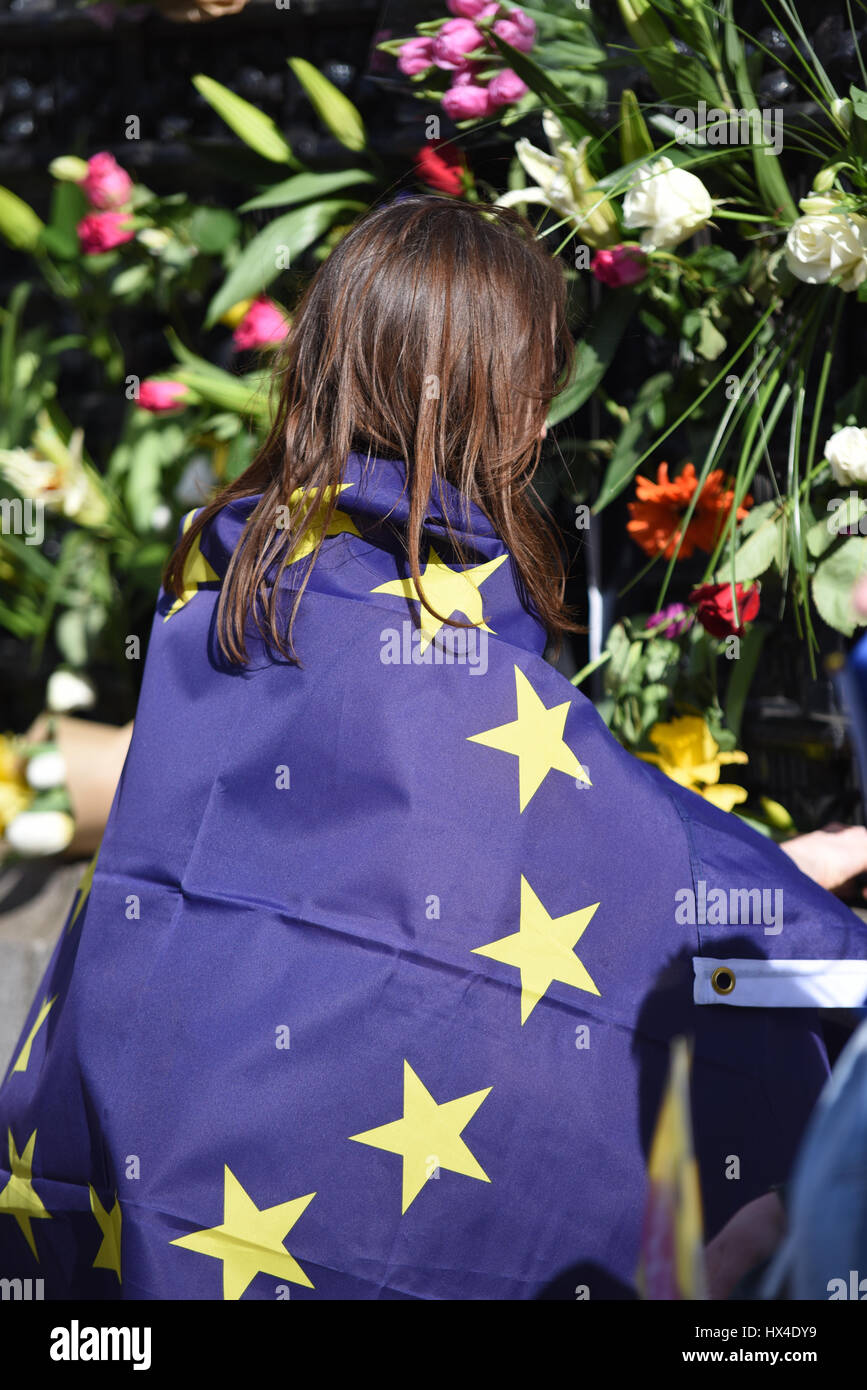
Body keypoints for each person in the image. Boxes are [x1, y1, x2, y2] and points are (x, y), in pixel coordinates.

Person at [1, 196, 866, 1301]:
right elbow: (636, 866)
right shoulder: (445, 665)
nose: (548, 429)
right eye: (540, 391)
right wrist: (809, 922)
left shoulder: (215, 619)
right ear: (498, 410)